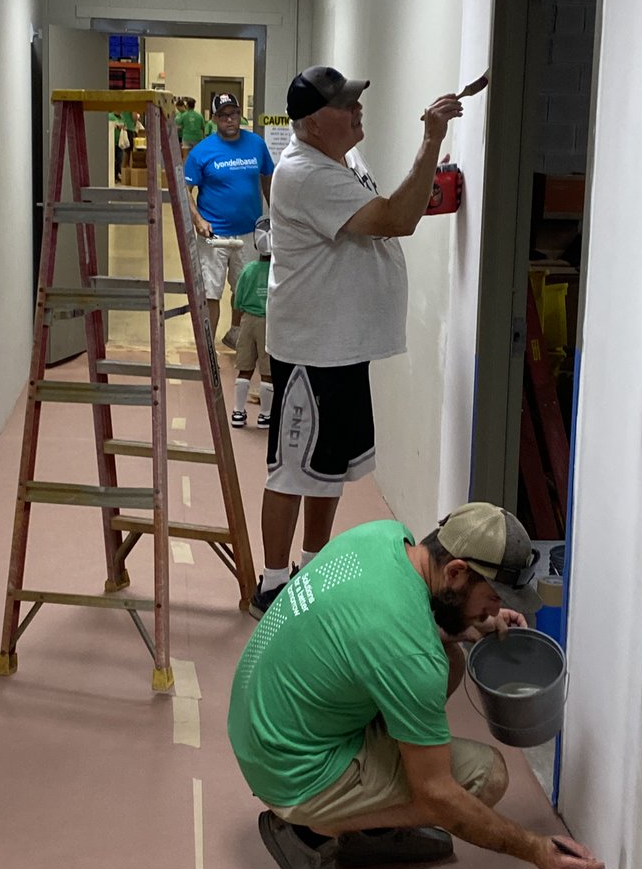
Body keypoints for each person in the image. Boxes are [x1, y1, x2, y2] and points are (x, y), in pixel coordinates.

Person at [228, 501, 604, 869]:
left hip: (260, 718)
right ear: (457, 572)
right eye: (493, 597)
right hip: (289, 769)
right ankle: (305, 834)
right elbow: (436, 794)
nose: (496, 610)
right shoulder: (409, 656)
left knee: (448, 663)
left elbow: (394, 622)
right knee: (484, 776)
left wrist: (467, 622)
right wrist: (534, 849)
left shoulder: (383, 536)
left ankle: (373, 825)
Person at [252, 65, 462, 617]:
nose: (357, 110)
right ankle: (272, 585)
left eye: (356, 101)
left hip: (341, 347)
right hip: (310, 349)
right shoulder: (304, 174)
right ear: (315, 122)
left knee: (328, 469)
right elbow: (395, 218)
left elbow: (391, 212)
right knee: (292, 468)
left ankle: (312, 567)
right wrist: (431, 141)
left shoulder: (342, 160)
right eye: (347, 105)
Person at [184, 92, 274, 348]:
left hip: (249, 233)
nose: (230, 120)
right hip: (214, 235)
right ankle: (207, 350)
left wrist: (274, 215)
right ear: (214, 119)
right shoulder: (202, 152)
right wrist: (197, 220)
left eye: (234, 114)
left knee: (244, 290)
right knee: (210, 293)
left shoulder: (256, 144)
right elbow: (183, 190)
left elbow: (268, 178)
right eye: (224, 116)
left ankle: (236, 334)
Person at [230, 217, 273, 430]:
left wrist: (236, 326)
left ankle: (238, 411)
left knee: (244, 368)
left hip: (248, 322)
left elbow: (237, 300)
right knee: (267, 371)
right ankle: (265, 415)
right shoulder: (279, 272)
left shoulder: (248, 270)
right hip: (269, 324)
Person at [178, 96, 206, 163]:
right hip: (197, 138)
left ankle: (186, 172)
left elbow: (179, 125)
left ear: (187, 105)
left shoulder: (184, 115)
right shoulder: (199, 115)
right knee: (197, 156)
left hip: (187, 138)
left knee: (186, 156)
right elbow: (203, 127)